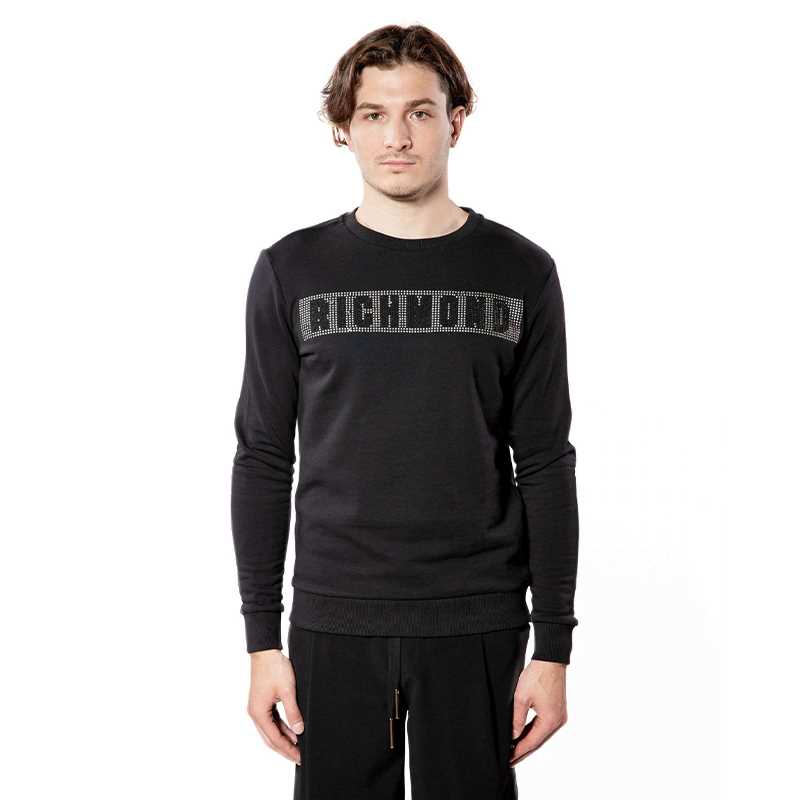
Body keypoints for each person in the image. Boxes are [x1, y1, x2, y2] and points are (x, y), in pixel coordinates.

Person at [230, 23, 580, 800]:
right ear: (344, 128)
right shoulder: (291, 271)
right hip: (333, 621)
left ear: (455, 121)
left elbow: (545, 460)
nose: (397, 136)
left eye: (419, 112)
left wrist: (553, 647)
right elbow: (263, 455)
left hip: (478, 621)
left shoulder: (521, 272)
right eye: (374, 114)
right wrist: (261, 640)